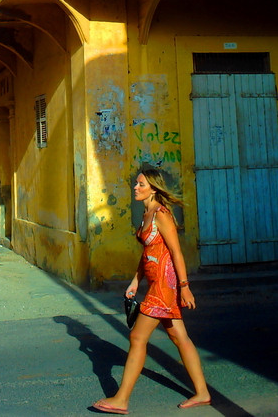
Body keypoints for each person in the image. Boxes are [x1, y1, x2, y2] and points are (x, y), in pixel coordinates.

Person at [92, 169, 211, 415]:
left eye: (141, 184)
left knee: (137, 338)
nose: (135, 187)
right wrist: (136, 281)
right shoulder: (146, 214)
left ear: (153, 188)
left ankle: (121, 399)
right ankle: (203, 393)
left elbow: (176, 253)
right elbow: (147, 254)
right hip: (155, 284)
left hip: (164, 286)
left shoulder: (161, 215)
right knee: (180, 338)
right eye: (136, 183)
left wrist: (185, 287)